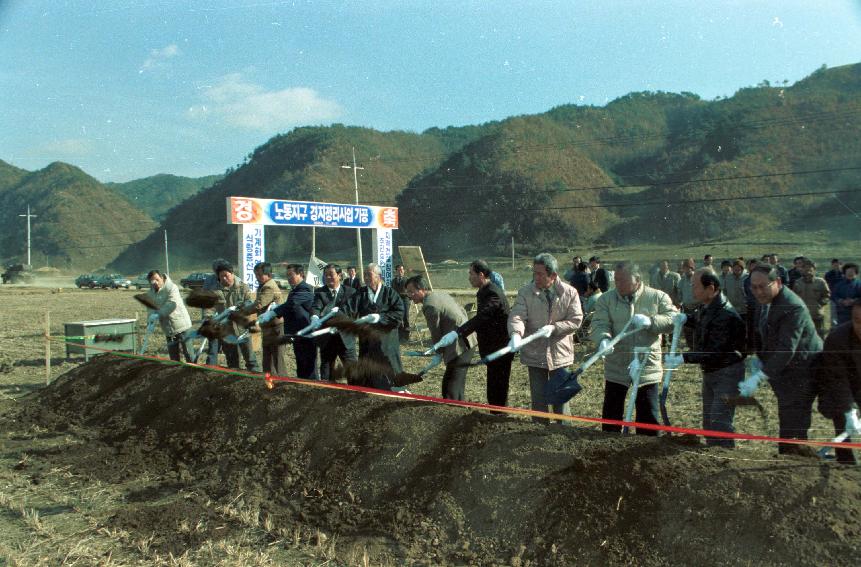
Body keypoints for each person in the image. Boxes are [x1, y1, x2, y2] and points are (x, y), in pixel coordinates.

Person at [740, 264, 822, 454]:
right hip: (785, 372)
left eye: (762, 286)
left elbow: (787, 349)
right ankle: (791, 455)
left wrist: (759, 377)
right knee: (788, 417)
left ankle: (793, 461)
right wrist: (759, 359)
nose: (758, 292)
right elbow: (765, 335)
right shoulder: (766, 301)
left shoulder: (792, 307)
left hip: (803, 372)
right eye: (754, 287)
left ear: (777, 282)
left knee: (794, 421)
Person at [591, 261, 677, 434]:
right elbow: (599, 323)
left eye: (622, 280)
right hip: (617, 365)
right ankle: (607, 451)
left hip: (646, 366)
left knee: (648, 417)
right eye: (616, 279)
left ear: (637, 279)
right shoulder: (606, 299)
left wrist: (651, 322)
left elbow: (673, 318)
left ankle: (646, 451)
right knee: (611, 416)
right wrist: (603, 340)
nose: (618, 284)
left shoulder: (657, 297)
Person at [665, 269, 745, 447]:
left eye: (695, 286)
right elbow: (704, 320)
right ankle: (713, 457)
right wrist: (688, 318)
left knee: (719, 422)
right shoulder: (709, 306)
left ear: (710, 288)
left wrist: (684, 358)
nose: (692, 290)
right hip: (712, 372)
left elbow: (715, 351)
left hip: (727, 373)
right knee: (709, 422)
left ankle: (724, 459)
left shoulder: (725, 314)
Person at [509, 253, 583, 418]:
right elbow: (517, 316)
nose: (535, 277)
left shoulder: (569, 293)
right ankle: (539, 433)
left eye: (540, 274)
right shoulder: (525, 292)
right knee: (538, 401)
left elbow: (576, 320)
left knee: (561, 401)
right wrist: (516, 334)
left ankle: (562, 434)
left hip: (559, 355)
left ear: (553, 275)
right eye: (534, 273)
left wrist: (555, 328)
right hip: (535, 354)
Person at [406, 276, 476, 400]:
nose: (409, 296)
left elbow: (435, 332)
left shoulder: (429, 305)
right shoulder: (440, 294)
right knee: (456, 382)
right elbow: (462, 311)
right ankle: (459, 407)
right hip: (467, 339)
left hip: (460, 345)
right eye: (408, 292)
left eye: (412, 292)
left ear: (422, 289)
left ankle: (453, 411)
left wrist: (438, 353)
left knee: (450, 388)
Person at [454, 260, 514, 407]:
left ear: (481, 275)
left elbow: (483, 317)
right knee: (494, 389)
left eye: (471, 273)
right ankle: (497, 415)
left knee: (497, 390)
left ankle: (499, 417)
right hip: (492, 347)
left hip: (500, 349)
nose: (469, 277)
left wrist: (459, 332)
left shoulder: (492, 292)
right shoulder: (484, 291)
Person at [817, 298, 861, 465]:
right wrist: (849, 411)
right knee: (842, 418)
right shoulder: (837, 338)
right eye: (857, 321)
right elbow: (837, 379)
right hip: (839, 383)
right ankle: (846, 461)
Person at [346, 263, 405, 374]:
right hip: (367, 341)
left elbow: (399, 313)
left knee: (390, 373)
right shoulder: (360, 294)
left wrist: (380, 317)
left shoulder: (390, 293)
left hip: (387, 341)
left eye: (369, 274)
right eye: (364, 275)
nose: (366, 278)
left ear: (379, 276)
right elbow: (348, 309)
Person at [312, 263, 357, 381]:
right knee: (326, 370)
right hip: (327, 338)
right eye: (326, 275)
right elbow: (316, 307)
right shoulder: (320, 292)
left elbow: (352, 312)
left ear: (339, 275)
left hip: (345, 338)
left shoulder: (350, 292)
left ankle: (356, 394)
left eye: (331, 274)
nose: (328, 277)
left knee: (352, 370)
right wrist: (315, 317)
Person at [271, 264, 317, 379]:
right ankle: (302, 386)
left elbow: (292, 304)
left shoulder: (304, 288)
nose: (288, 278)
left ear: (300, 274)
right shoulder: (294, 290)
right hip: (297, 333)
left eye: (291, 275)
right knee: (301, 363)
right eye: (287, 275)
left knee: (308, 364)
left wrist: (274, 312)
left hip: (306, 332)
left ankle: (312, 388)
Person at [214, 262, 261, 372]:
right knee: (232, 361)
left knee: (250, 359)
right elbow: (210, 308)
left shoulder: (243, 287)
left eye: (227, 275)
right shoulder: (216, 291)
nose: (224, 278)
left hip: (242, 329)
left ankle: (256, 379)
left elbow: (249, 303)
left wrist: (239, 308)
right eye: (221, 276)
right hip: (226, 331)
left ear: (232, 274)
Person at [145, 269, 195, 362]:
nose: (154, 283)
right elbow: (150, 308)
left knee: (188, 353)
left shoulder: (172, 287)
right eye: (152, 281)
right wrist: (150, 321)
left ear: (162, 278)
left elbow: (171, 304)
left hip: (182, 325)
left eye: (156, 279)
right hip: (168, 329)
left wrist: (158, 315)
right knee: (173, 357)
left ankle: (194, 371)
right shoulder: (150, 293)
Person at [252, 262, 286, 375]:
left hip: (275, 327)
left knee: (277, 358)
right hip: (267, 326)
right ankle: (269, 381)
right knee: (267, 358)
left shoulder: (269, 286)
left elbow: (259, 305)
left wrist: (242, 311)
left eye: (260, 275)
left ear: (268, 274)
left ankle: (283, 383)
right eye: (256, 275)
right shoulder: (263, 285)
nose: (257, 277)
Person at [792, 259, 830, 338]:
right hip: (802, 316)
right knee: (803, 338)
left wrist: (820, 304)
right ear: (802, 270)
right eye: (805, 269)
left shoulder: (821, 282)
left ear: (814, 270)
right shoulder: (797, 283)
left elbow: (827, 295)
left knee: (819, 337)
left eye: (810, 269)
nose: (808, 271)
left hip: (816, 315)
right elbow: (794, 298)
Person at [678, 258, 700, 348]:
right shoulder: (682, 281)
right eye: (684, 268)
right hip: (686, 308)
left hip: (698, 307)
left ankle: (698, 348)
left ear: (692, 268)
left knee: (698, 329)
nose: (686, 270)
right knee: (687, 329)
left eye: (688, 268)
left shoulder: (698, 279)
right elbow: (680, 293)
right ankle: (691, 347)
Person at [391, 264, 411, 343]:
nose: (400, 271)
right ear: (396, 271)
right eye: (399, 270)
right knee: (398, 318)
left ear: (404, 271)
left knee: (405, 318)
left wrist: (404, 295)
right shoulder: (393, 281)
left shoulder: (407, 280)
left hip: (405, 301)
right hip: (396, 302)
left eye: (402, 270)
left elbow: (410, 292)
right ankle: (400, 336)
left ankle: (406, 337)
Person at [824, 258, 843, 328]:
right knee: (833, 313)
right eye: (835, 265)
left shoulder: (844, 274)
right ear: (832, 265)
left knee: (842, 312)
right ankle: (834, 327)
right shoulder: (828, 274)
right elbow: (826, 284)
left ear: (841, 265)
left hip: (843, 296)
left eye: (838, 265)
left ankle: (842, 326)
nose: (836, 267)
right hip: (833, 296)